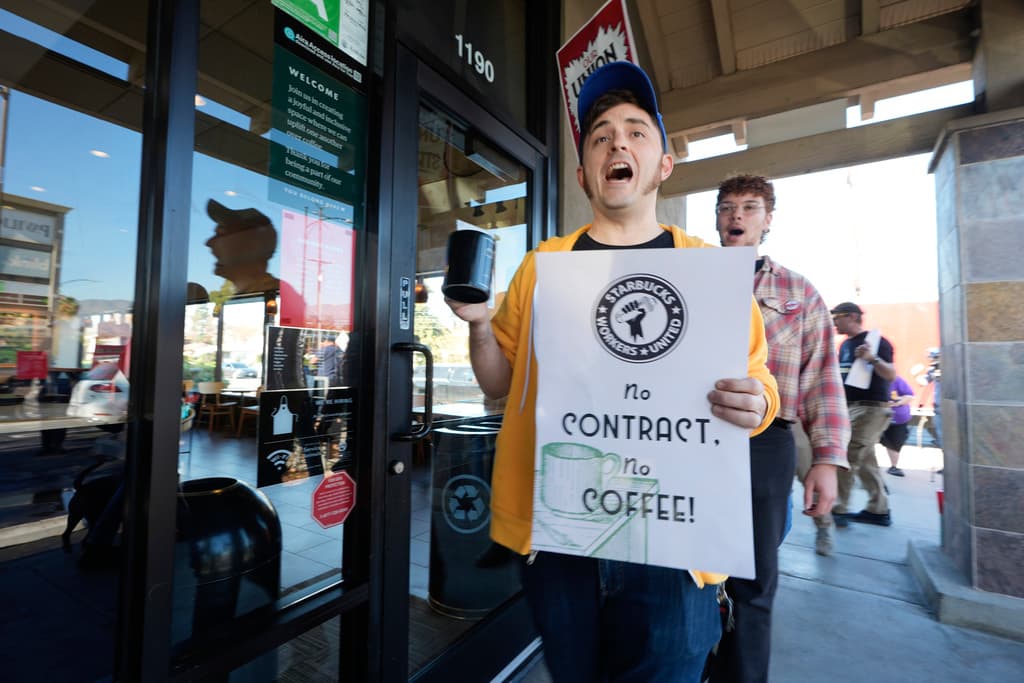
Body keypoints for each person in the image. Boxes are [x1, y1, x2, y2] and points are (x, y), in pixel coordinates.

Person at [445, 61, 779, 683]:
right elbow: (498, 385)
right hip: (562, 534)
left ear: (663, 165)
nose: (617, 143)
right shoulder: (544, 264)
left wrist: (757, 403)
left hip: (674, 542)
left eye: (635, 132)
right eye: (600, 137)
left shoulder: (707, 268)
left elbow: (759, 382)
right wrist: (479, 325)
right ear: (584, 174)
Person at [707, 175, 850, 682]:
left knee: (752, 580)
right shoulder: (687, 274)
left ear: (768, 220)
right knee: (683, 570)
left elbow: (822, 379)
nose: (736, 217)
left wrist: (827, 460)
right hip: (686, 438)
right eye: (727, 208)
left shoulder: (798, 291)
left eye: (750, 208)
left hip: (764, 444)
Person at [831, 302, 896, 527]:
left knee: (847, 456)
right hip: (851, 407)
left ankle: (839, 507)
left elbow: (890, 374)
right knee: (867, 462)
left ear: (852, 316)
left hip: (871, 408)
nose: (834, 322)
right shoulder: (845, 345)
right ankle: (878, 509)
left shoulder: (878, 343)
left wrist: (872, 358)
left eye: (837, 317)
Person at [881, 376, 915, 476]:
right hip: (877, 416)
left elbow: (910, 396)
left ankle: (894, 467)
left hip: (897, 418)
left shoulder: (897, 380)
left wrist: (897, 402)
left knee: (894, 442)